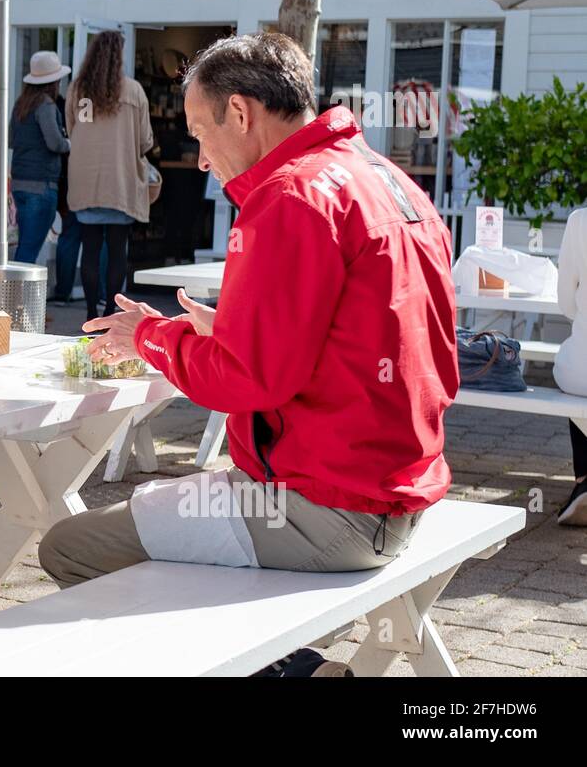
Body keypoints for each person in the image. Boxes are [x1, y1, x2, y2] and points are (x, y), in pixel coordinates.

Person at [39, 33, 458, 672]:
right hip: (397, 487)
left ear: (241, 114)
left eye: (203, 134)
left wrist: (153, 337)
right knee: (173, 519)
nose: (202, 160)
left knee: (71, 545)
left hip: (327, 505)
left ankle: (287, 669)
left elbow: (244, 382)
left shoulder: (291, 195)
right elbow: (364, 334)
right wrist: (229, 327)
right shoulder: (386, 178)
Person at [65, 30, 155, 320]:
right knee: (118, 251)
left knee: (90, 249)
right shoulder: (133, 92)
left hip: (86, 182)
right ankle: (109, 310)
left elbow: (72, 131)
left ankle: (91, 311)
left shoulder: (78, 90)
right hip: (121, 182)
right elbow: (145, 141)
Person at [10, 50, 70, 265]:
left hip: (19, 184)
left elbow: (11, 140)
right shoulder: (45, 105)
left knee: (24, 245)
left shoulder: (21, 104)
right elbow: (55, 143)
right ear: (53, 81)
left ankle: (15, 295)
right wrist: (70, 143)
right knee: (29, 250)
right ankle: (17, 297)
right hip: (42, 185)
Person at [553, 206, 587, 526]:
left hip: (582, 371)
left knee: (570, 369)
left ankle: (583, 479)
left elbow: (565, 304)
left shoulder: (580, 221)